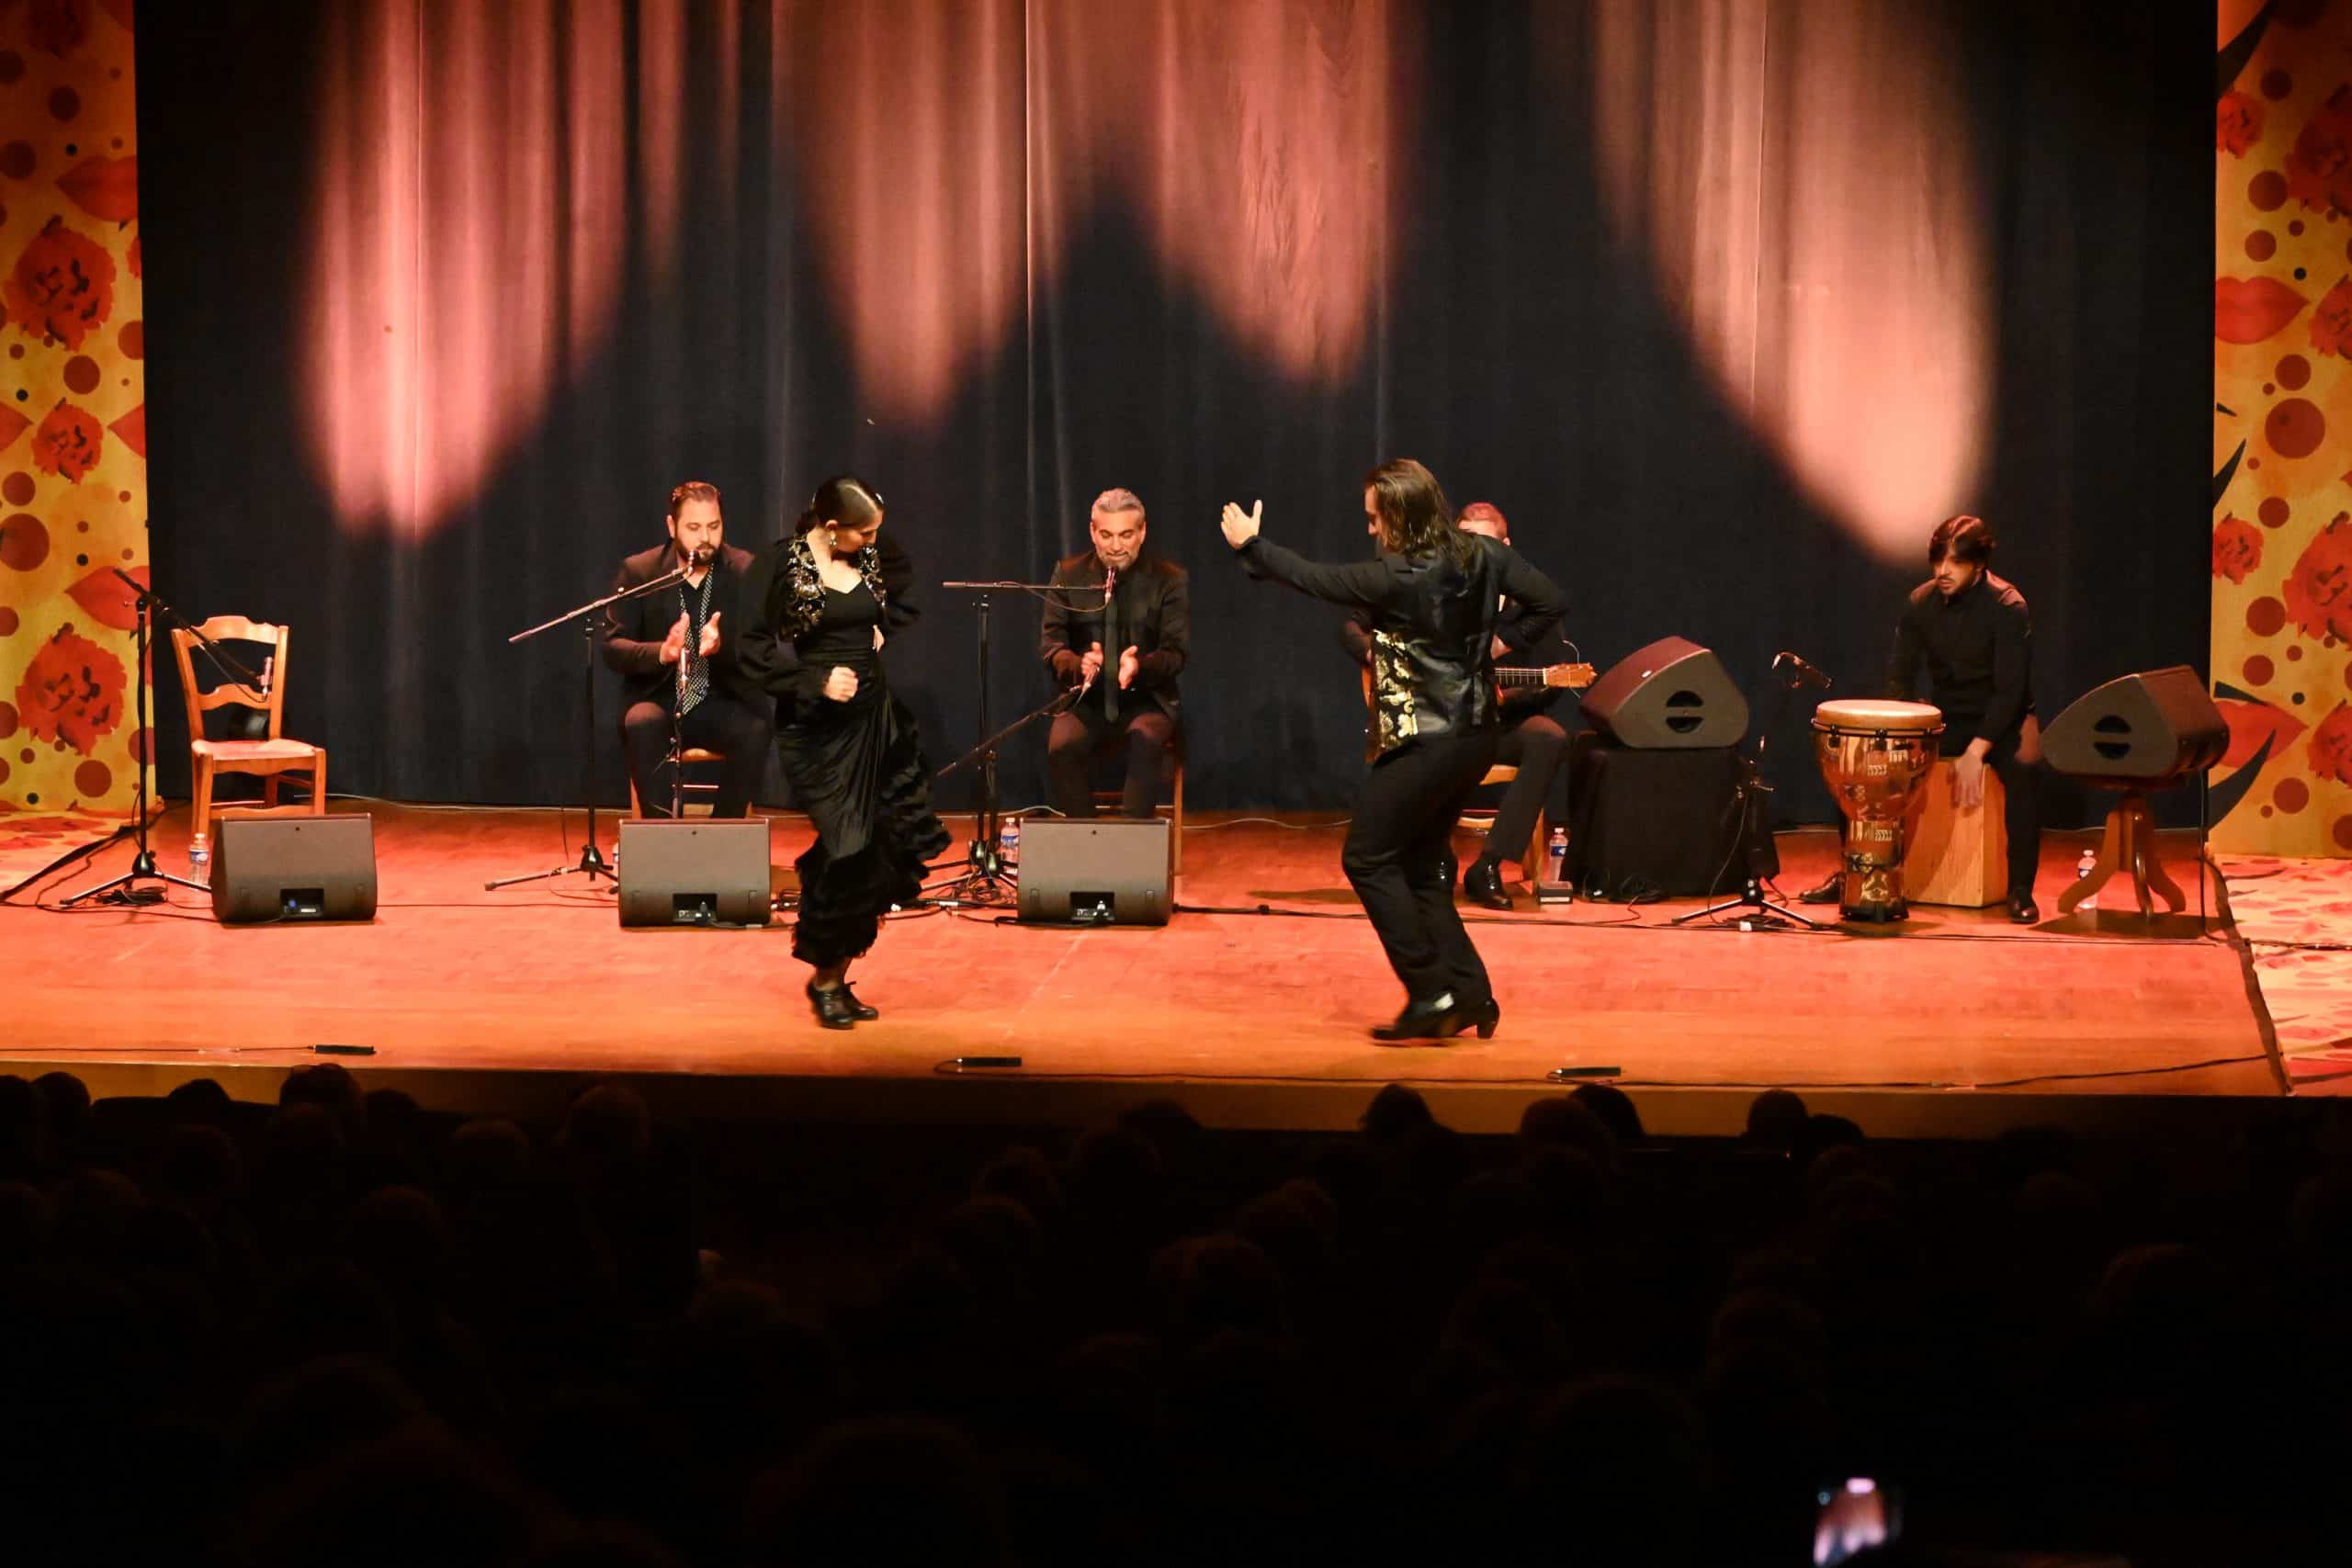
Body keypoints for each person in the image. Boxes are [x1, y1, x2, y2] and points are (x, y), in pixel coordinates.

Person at [1221, 459, 1566, 1042]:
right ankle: (1472, 994)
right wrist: (1496, 646)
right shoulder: (1487, 555)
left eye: (1375, 519)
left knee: (1367, 858)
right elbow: (1550, 601)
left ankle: (1432, 992)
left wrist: (1251, 545)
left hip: (1425, 742)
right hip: (1475, 736)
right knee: (1423, 869)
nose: (1371, 530)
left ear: (1401, 517)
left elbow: (1313, 579)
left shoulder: (1399, 576)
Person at [741, 477, 950, 1027]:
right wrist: (813, 680)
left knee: (882, 842)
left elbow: (906, 591)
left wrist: (882, 627)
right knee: (847, 846)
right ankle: (824, 975)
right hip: (816, 731)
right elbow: (750, 648)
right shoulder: (779, 565)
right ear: (831, 527)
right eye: (865, 532)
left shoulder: (872, 549)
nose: (874, 540)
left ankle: (834, 976)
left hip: (875, 720)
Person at [1800, 513, 2042, 921]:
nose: (1943, 572)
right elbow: (1901, 679)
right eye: (1938, 561)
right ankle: (1855, 873)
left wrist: (1976, 751)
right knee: (1863, 766)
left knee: (2025, 770)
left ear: (1979, 564)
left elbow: (2010, 691)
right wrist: (1900, 736)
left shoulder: (2008, 607)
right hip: (1946, 714)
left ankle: (2020, 888)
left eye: (1955, 563)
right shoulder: (1920, 603)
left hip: (2005, 718)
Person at [1341, 500, 1570, 909]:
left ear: (1506, 546)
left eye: (1486, 544)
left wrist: (1506, 694)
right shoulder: (1434, 587)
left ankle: (1489, 865)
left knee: (1549, 738)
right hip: (1443, 725)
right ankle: (1435, 859)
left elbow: (1552, 683)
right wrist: (1376, 654)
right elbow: (1351, 624)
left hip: (1499, 725)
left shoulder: (1529, 606)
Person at [601, 480, 775, 818]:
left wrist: (724, 647)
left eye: (714, 526)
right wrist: (662, 652)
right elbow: (613, 647)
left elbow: (762, 648)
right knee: (640, 722)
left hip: (720, 697)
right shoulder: (641, 571)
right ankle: (663, 835)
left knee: (755, 729)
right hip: (660, 697)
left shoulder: (745, 570)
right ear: (672, 526)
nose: (705, 538)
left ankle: (724, 832)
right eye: (694, 527)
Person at [1039, 489, 1190, 818]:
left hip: (1147, 699)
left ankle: (1131, 850)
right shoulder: (1068, 574)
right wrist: (1079, 664)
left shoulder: (1169, 579)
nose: (1115, 546)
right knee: (1060, 747)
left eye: (1126, 535)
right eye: (1106, 535)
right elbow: (1051, 646)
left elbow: (1176, 653)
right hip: (1086, 698)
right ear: (1093, 531)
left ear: (1142, 532)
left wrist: (1139, 666)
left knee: (1145, 741)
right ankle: (1088, 842)